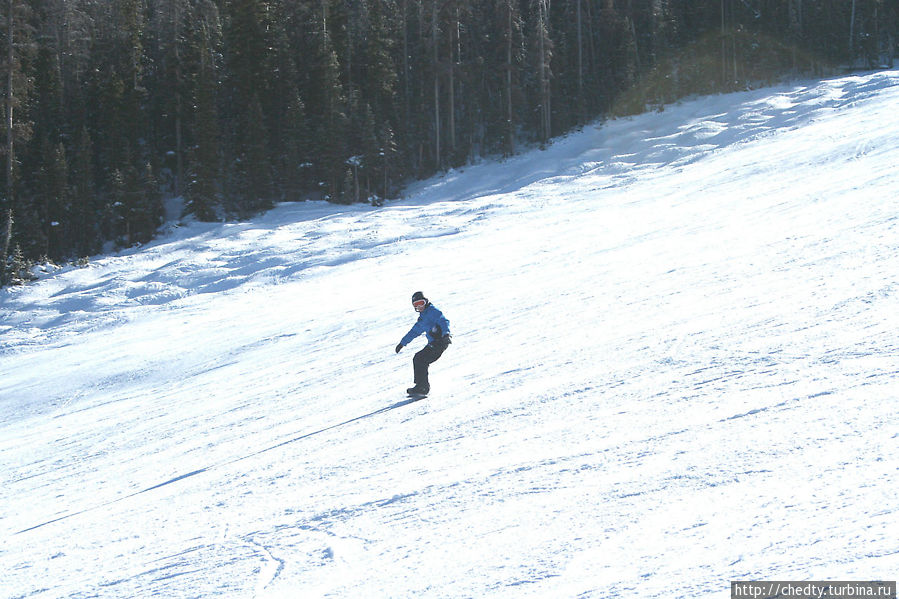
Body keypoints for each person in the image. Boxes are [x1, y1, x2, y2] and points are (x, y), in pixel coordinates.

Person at [395, 291, 451, 396]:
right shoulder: (422, 318)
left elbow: (444, 321)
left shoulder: (432, 311)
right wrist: (402, 343)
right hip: (434, 343)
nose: (419, 306)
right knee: (418, 358)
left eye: (421, 303)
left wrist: (446, 334)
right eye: (416, 305)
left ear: (426, 301)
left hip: (440, 342)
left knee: (420, 359)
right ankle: (421, 386)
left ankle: (423, 387)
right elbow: (414, 331)